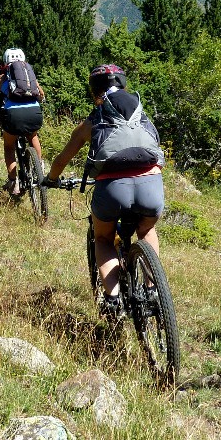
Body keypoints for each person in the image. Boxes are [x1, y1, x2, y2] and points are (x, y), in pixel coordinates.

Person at [45, 64, 165, 319]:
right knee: (147, 230)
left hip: (112, 189)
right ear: (123, 84)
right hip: (151, 185)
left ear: (94, 91)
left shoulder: (94, 118)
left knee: (103, 239)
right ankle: (153, 289)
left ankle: (112, 299)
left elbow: (63, 158)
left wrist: (52, 179)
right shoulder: (141, 113)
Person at [0, 48, 45, 197]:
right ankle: (39, 167)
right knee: (33, 136)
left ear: (5, 61)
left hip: (13, 116)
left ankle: (13, 181)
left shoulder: (0, 79)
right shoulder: (30, 78)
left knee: (9, 146)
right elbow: (41, 95)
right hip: (34, 113)